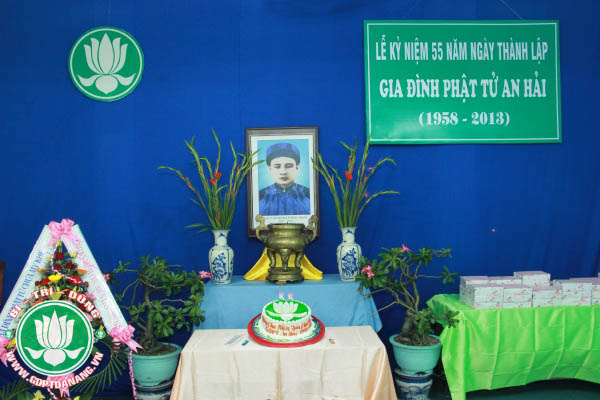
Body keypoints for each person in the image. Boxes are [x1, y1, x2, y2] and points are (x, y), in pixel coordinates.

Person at [259, 142, 311, 216]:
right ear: (270, 169)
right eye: (277, 166)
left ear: (297, 167)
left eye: (288, 166)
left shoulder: (309, 195)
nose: (283, 172)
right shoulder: (260, 197)